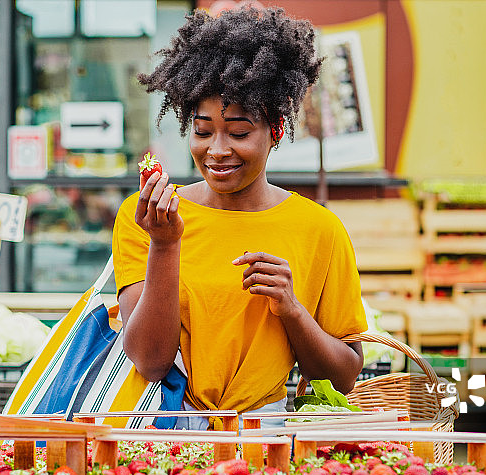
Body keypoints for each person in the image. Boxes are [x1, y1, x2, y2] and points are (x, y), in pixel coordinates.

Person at [112, 6, 367, 426]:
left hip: (263, 438)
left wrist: (291, 309)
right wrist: (165, 245)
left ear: (276, 129)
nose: (217, 150)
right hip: (164, 436)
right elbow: (150, 361)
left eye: (239, 132)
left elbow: (343, 377)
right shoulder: (150, 216)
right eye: (202, 130)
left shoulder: (320, 229)